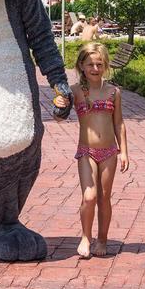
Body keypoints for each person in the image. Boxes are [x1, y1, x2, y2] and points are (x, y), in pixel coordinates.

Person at [54, 43, 130, 259]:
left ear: (105, 65)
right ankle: (86, 237)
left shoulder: (113, 92)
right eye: (90, 64)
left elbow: (119, 123)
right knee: (89, 196)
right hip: (86, 151)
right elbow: (59, 118)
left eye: (99, 64)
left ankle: (102, 239)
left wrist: (123, 151)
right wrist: (59, 103)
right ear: (81, 65)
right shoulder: (76, 92)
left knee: (104, 197)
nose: (95, 69)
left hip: (109, 152)